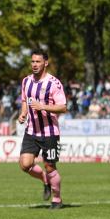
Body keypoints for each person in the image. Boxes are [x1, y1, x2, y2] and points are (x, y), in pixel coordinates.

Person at [17, 50, 68, 209]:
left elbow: (63, 108)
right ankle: (45, 180)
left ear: (45, 63)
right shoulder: (26, 81)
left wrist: (42, 106)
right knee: (25, 164)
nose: (34, 65)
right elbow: (25, 100)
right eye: (32, 61)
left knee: (50, 166)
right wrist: (23, 113)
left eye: (38, 62)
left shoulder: (54, 83)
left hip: (50, 132)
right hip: (31, 130)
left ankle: (57, 199)